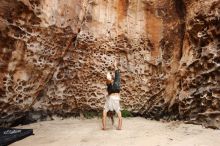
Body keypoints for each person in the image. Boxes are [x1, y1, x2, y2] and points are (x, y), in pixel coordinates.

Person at [102, 60, 122, 130]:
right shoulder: (108, 107)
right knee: (109, 85)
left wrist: (119, 126)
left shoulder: (114, 108)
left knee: (117, 77)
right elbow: (104, 116)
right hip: (111, 94)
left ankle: (115, 66)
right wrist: (104, 127)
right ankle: (109, 79)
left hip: (116, 92)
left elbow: (120, 118)